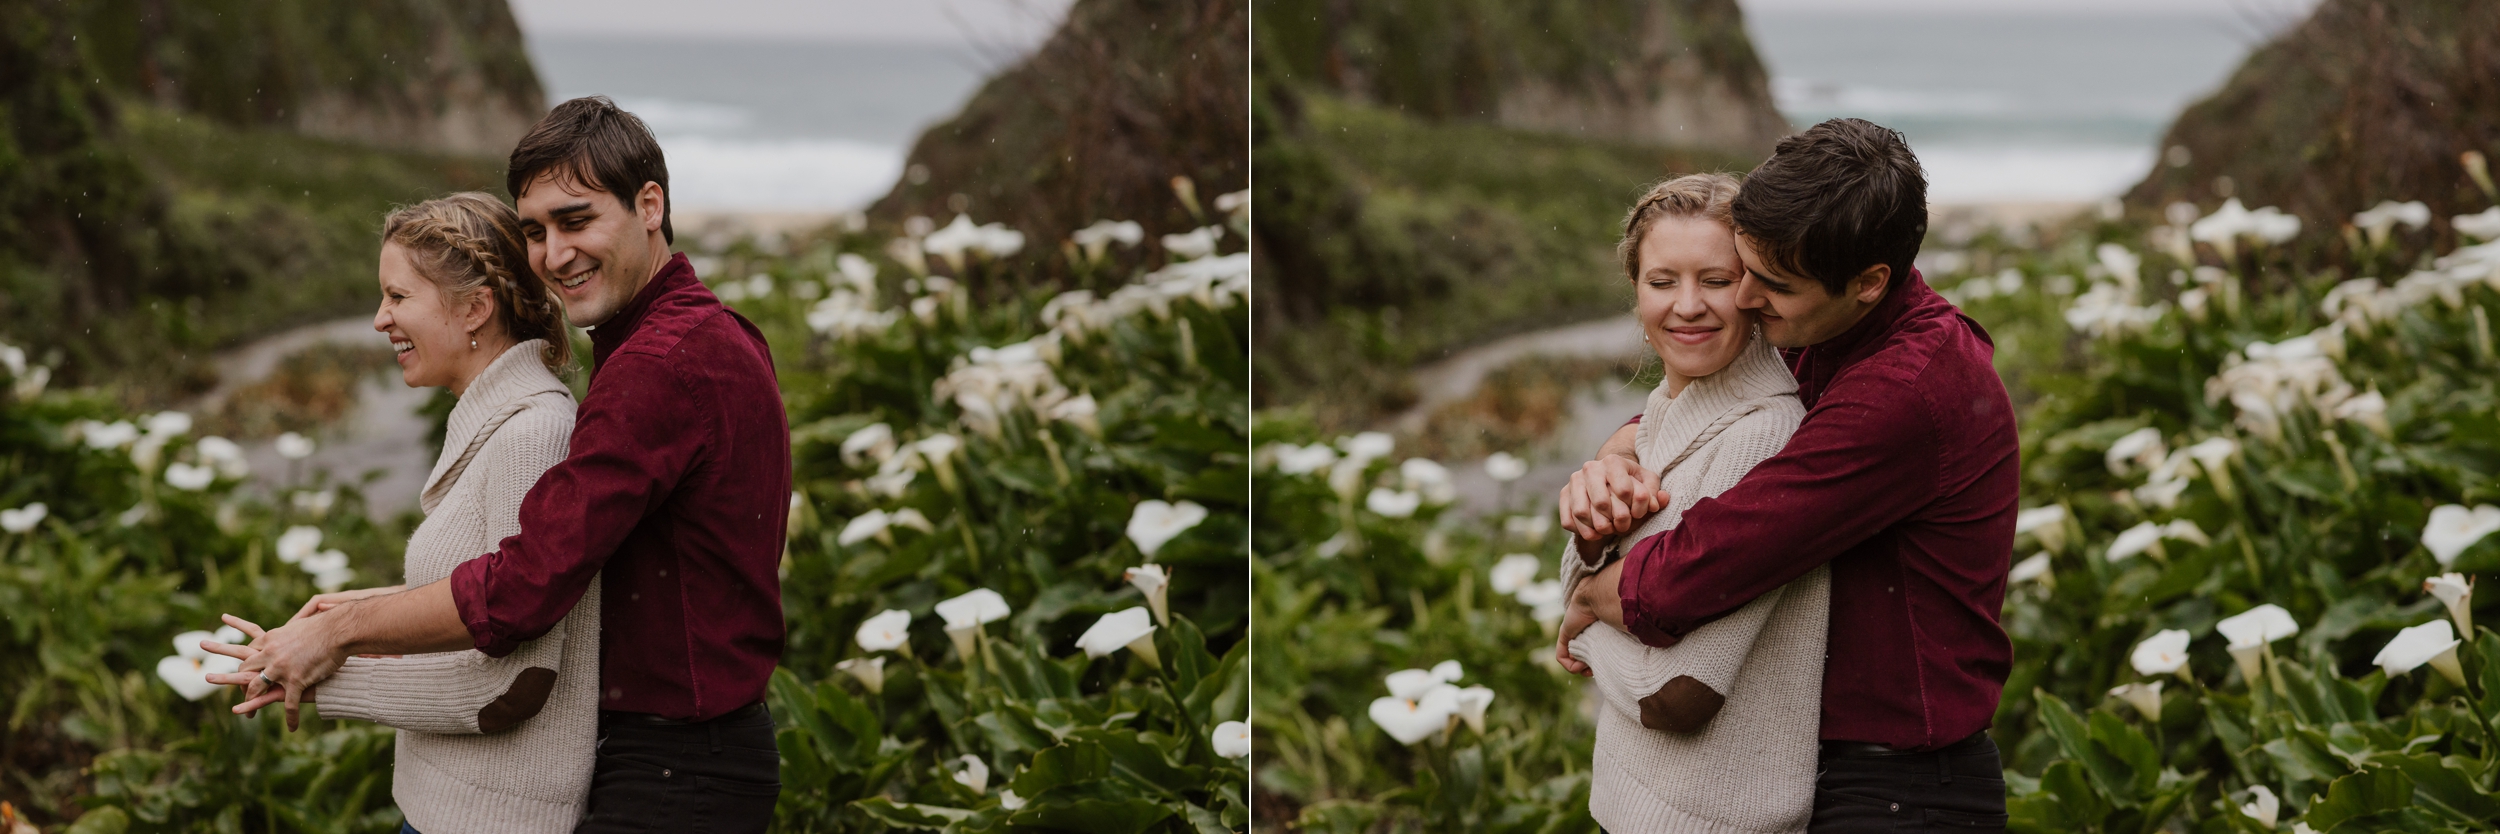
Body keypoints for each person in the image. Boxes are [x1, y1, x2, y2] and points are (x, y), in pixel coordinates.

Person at [215, 96, 794, 833]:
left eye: (576, 220)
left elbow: (521, 589)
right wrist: (347, 615)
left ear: (650, 205)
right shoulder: (715, 334)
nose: (555, 255)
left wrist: (342, 634)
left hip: (675, 771)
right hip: (694, 754)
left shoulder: (654, 369)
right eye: (535, 231)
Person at [1555, 118, 2020, 832]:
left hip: (1901, 793)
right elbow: (1705, 414)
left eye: (1768, 284)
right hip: (1832, 769)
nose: (1741, 301)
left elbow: (1691, 572)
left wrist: (1586, 599)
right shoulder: (1818, 326)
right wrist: (1620, 451)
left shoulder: (1905, 393)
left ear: (1869, 282)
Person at [208, 192, 594, 834]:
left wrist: (321, 677)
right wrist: (339, 618)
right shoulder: (492, 421)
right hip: (446, 808)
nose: (380, 319)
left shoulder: (533, 435)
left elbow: (514, 683)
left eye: (398, 297)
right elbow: (467, 599)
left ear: (475, 307)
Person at [1555, 173, 1823, 833]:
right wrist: (1590, 545)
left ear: (1755, 290)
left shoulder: (1760, 438)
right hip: (1638, 807)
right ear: (1636, 290)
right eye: (1663, 280)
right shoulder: (1662, 416)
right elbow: (1579, 580)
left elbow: (1676, 693)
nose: (1688, 306)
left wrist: (1584, 633)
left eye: (1716, 279)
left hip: (1716, 821)